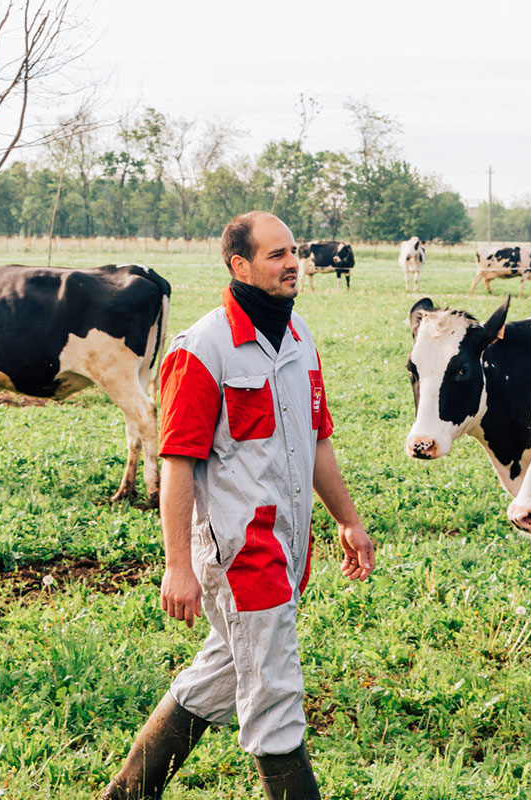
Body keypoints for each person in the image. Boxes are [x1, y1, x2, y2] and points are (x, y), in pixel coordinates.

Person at [101, 212, 375, 800]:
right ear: (240, 266)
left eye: (293, 251)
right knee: (275, 692)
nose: (293, 262)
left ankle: (128, 792)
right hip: (241, 552)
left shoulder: (300, 338)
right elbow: (177, 465)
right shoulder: (202, 349)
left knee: (224, 672)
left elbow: (318, 440)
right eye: (276, 254)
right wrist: (177, 565)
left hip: (289, 545)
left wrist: (348, 520)